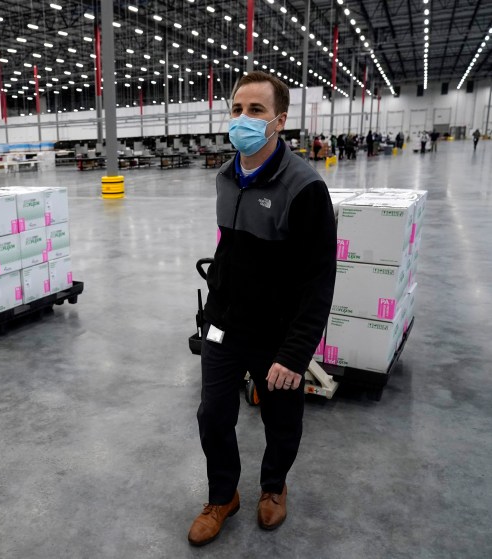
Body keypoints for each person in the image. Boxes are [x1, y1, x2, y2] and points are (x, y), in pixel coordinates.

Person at [188, 71, 336, 547]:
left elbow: (318, 282)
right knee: (212, 415)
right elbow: (229, 254)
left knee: (282, 420)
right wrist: (211, 315)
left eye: (255, 111)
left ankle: (273, 487)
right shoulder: (225, 177)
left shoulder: (304, 188)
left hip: (277, 335)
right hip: (225, 327)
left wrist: (295, 354)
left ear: (279, 120)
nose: (242, 119)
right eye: (236, 109)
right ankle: (222, 495)